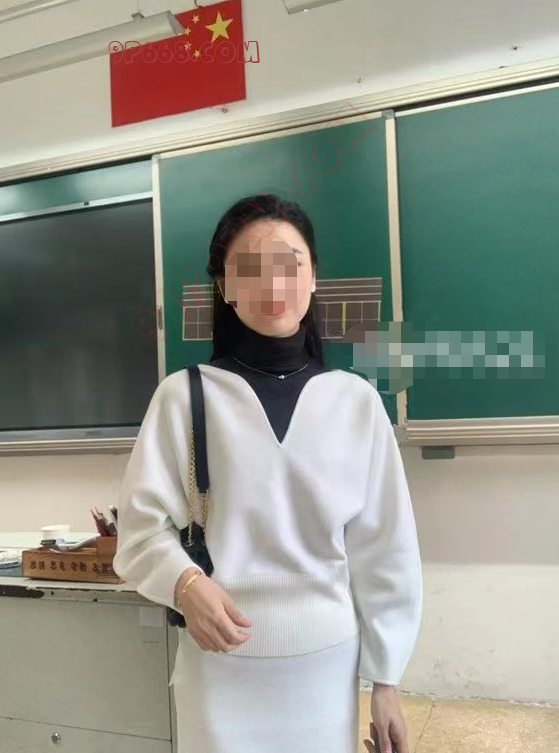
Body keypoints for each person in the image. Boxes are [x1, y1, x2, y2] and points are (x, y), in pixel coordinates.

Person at [113, 194, 423, 753]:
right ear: (225, 287)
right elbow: (138, 533)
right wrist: (185, 584)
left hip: (325, 670)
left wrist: (386, 682)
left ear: (313, 278)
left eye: (289, 264)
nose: (273, 282)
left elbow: (385, 549)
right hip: (220, 667)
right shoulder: (184, 397)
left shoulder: (355, 401)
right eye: (250, 268)